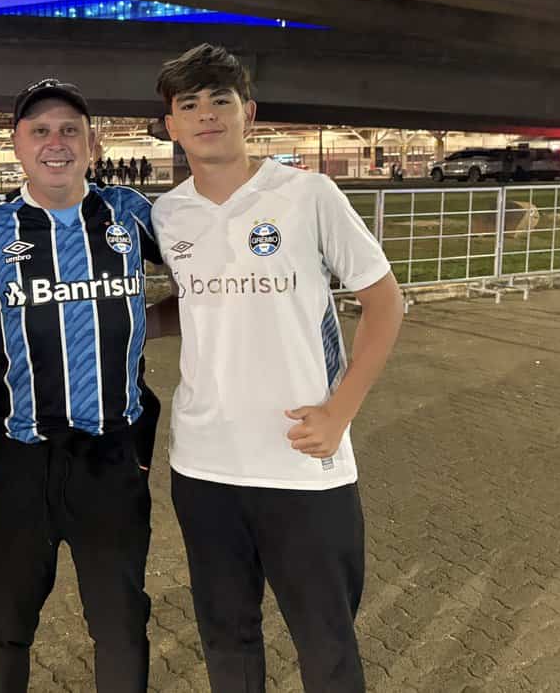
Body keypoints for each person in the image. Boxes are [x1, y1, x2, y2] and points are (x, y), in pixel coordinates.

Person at [146, 44, 403, 693]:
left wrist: (341, 412)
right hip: (203, 467)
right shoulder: (167, 213)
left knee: (327, 648)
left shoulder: (307, 194)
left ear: (249, 113)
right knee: (227, 641)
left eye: (221, 100)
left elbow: (384, 302)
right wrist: (126, 323)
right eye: (189, 105)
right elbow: (196, 301)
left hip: (303, 463)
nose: (207, 114)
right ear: (172, 125)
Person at [0, 78, 163, 693]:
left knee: (121, 625)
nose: (56, 142)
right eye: (40, 131)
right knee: (6, 624)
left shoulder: (130, 214)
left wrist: (135, 321)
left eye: (70, 130)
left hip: (111, 456)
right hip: (19, 458)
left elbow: (208, 277)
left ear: (92, 143)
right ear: (17, 145)